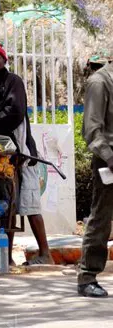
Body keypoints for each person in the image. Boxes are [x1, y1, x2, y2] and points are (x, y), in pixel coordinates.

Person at [0, 43, 53, 266]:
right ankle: (5, 255)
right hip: (3, 154)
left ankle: (46, 254)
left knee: (30, 204)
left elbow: (14, 113)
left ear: (4, 60)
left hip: (22, 153)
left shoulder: (13, 81)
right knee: (7, 203)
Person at [77, 54, 113, 297]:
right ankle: (87, 276)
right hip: (109, 160)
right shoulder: (100, 82)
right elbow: (91, 128)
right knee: (101, 218)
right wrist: (109, 157)